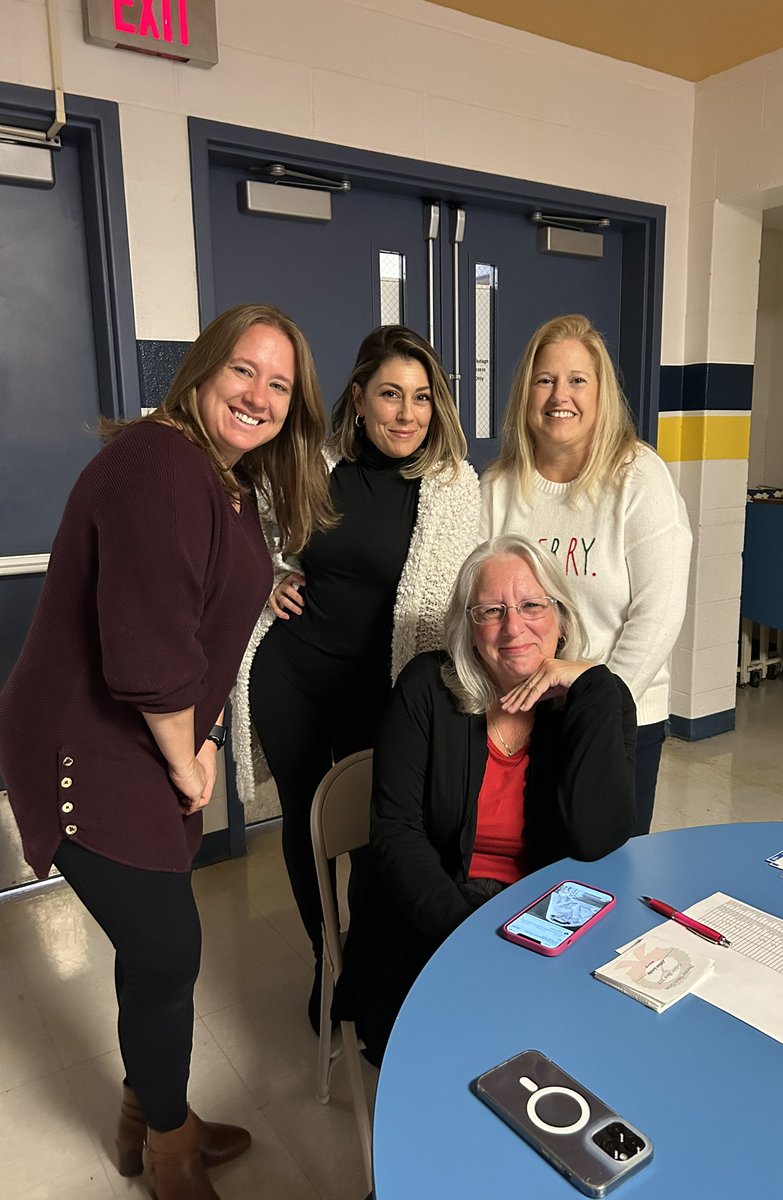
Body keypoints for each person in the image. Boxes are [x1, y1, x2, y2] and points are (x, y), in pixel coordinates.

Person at [0, 304, 333, 1200]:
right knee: (165, 946)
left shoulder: (228, 479)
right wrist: (188, 758)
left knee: (158, 953)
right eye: (243, 371)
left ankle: (147, 1114)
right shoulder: (159, 463)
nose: (259, 395)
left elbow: (206, 629)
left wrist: (211, 733)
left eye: (280, 383)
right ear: (200, 371)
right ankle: (167, 1149)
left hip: (150, 735)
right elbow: (150, 653)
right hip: (83, 744)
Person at [232, 324, 480, 1031]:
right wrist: (270, 580)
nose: (407, 414)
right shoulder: (310, 463)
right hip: (296, 676)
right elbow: (253, 537)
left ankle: (371, 959)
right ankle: (325, 960)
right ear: (360, 398)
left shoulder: (453, 487)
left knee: (380, 836)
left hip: (387, 693)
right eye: (391, 395)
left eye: (423, 398)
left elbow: (460, 598)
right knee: (306, 830)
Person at [336, 535, 635, 1064]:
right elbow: (395, 832)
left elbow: (599, 841)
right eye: (491, 611)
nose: (513, 627)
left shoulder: (597, 702)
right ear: (470, 630)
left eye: (532, 605)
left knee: (585, 1047)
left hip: (547, 915)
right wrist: (466, 936)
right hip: (434, 914)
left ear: (561, 617)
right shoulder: (427, 686)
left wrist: (592, 685)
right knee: (461, 1055)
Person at [481, 314, 691, 835]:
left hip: (621, 713)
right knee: (529, 864)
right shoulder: (498, 486)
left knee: (604, 873)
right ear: (526, 393)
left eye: (578, 380)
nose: (560, 396)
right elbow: (476, 605)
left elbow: (658, 612)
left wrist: (598, 693)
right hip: (520, 716)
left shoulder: (639, 476)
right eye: (545, 379)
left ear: (601, 395)